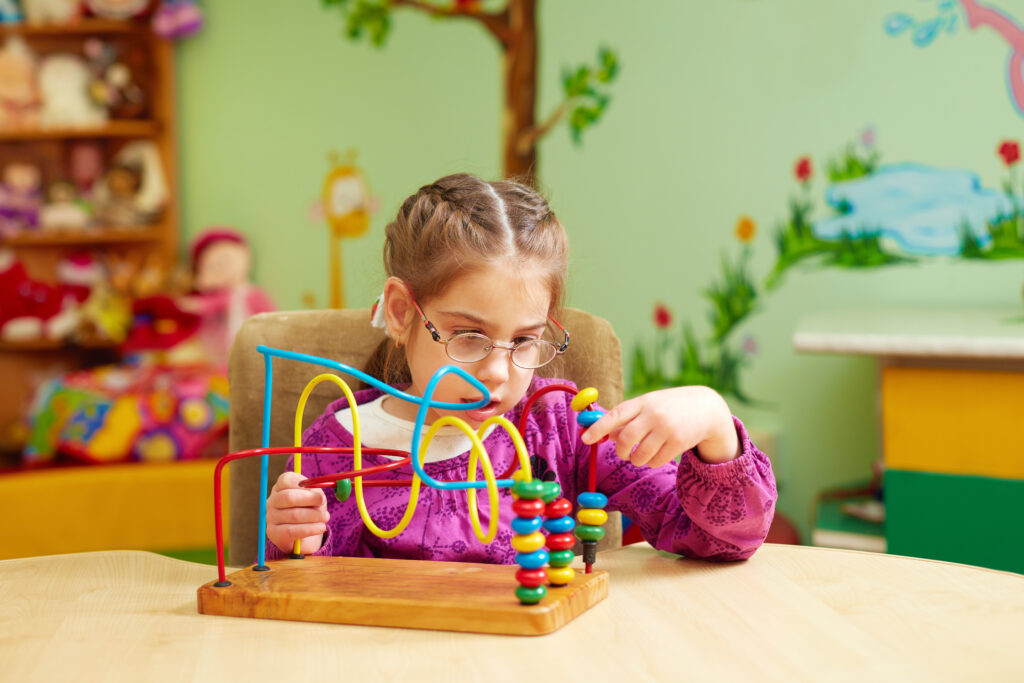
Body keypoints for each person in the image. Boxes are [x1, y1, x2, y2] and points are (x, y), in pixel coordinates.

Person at [266, 173, 776, 564]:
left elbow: (724, 539)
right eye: (469, 336)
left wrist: (712, 422)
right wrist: (291, 538)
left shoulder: (562, 430)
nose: (497, 372)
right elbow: (292, 592)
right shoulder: (333, 448)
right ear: (402, 312)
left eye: (525, 340)